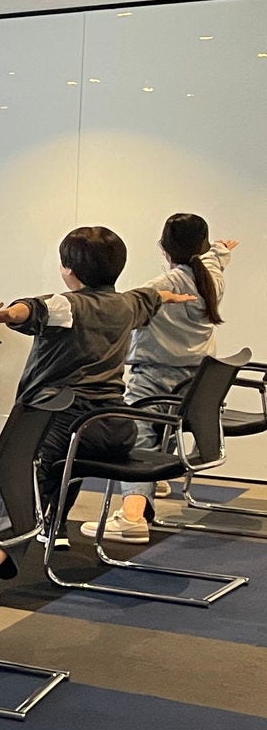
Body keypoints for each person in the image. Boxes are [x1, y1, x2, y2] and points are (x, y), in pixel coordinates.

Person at [0, 227, 194, 604]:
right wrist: (169, 296)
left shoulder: (67, 305)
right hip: (113, 428)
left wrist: (1, 313)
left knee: (17, 476)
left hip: (62, 422)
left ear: (69, 270)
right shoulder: (127, 304)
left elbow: (30, 310)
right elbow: (151, 297)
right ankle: (54, 526)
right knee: (63, 465)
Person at [83, 215, 236, 545]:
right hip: (193, 382)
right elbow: (215, 257)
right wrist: (221, 249)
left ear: (163, 248)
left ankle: (133, 517)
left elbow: (118, 311)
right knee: (167, 423)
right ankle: (156, 480)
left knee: (135, 438)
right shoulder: (212, 275)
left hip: (154, 378)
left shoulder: (162, 286)